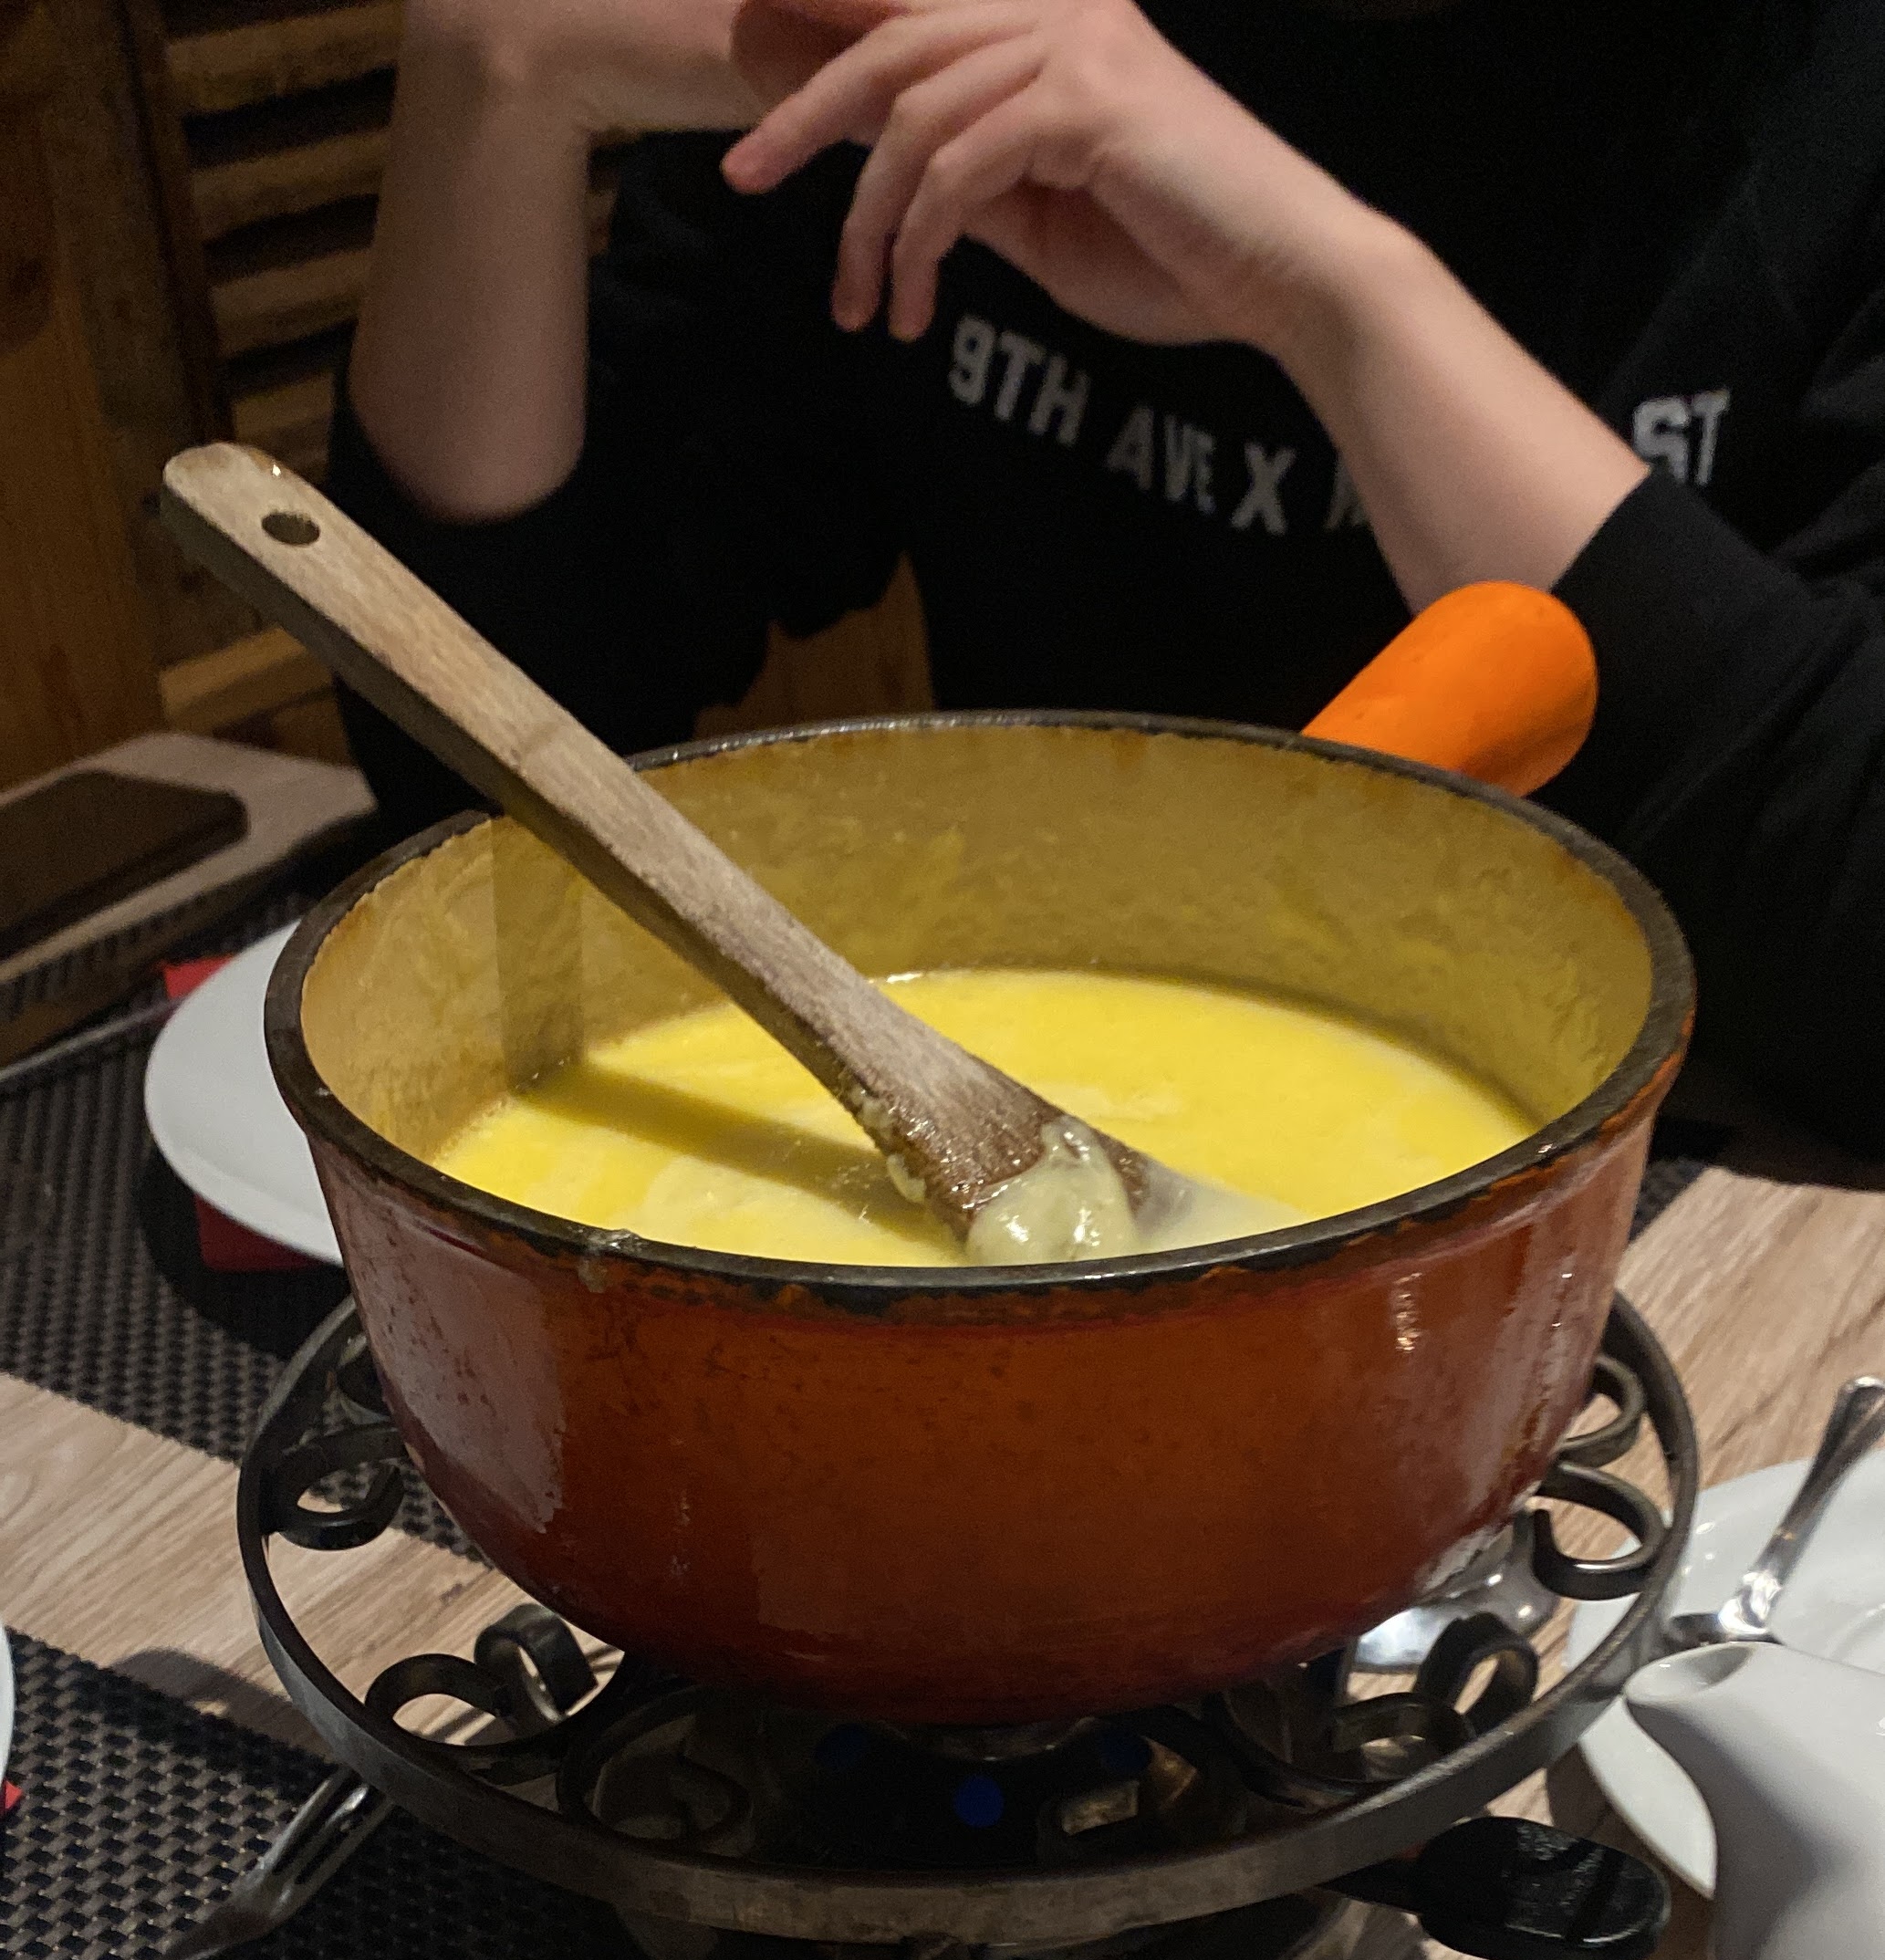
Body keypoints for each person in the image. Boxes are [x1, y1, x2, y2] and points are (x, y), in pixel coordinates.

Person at [333, 0, 1885, 1138]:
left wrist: (1337, 298)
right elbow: (483, 800)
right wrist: (489, 77)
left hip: (1720, 1208)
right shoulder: (942, 35)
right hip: (1049, 1139)